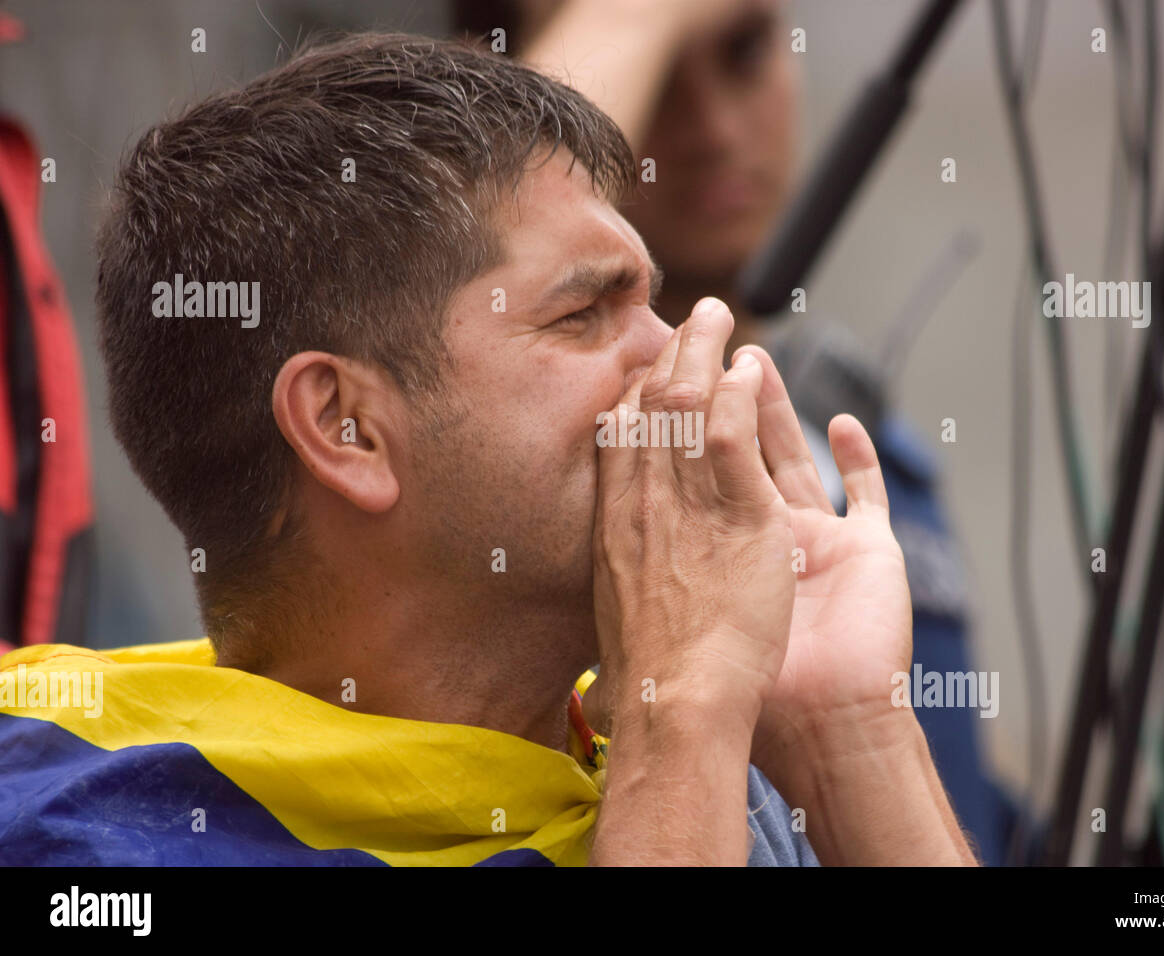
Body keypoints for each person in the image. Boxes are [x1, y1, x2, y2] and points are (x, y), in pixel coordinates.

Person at [0, 33, 975, 866]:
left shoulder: (694, 733)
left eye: (652, 303)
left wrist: (844, 732)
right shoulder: (91, 830)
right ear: (348, 425)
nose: (678, 359)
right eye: (584, 313)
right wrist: (676, 722)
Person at [454, 0, 1009, 862]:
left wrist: (859, 751)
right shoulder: (517, 522)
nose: (712, 131)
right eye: (660, 76)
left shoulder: (868, 459)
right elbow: (456, 208)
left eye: (747, 53)